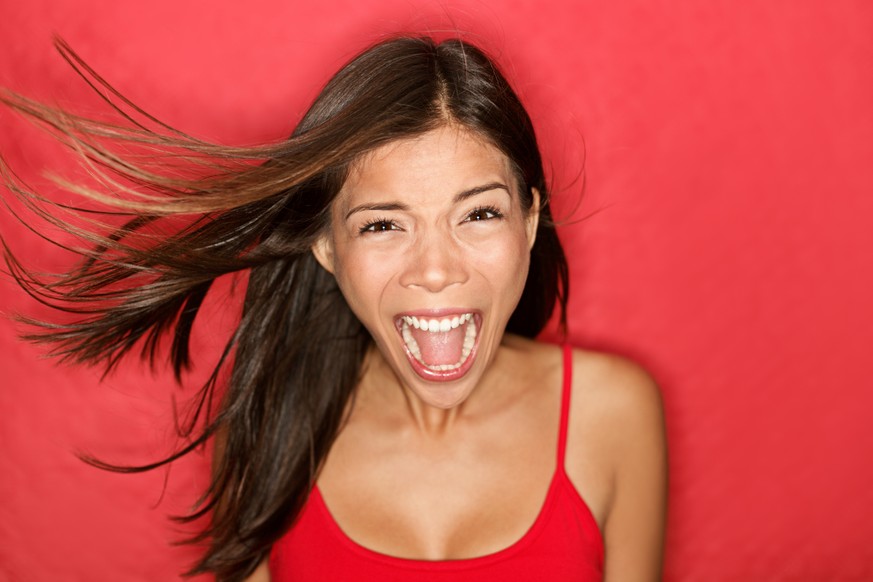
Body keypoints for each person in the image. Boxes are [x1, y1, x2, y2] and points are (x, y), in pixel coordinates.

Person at [1, 35, 666, 581]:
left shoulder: (611, 413)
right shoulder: (273, 423)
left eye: (479, 214)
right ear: (325, 246)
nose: (435, 270)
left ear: (528, 222)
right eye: (382, 225)